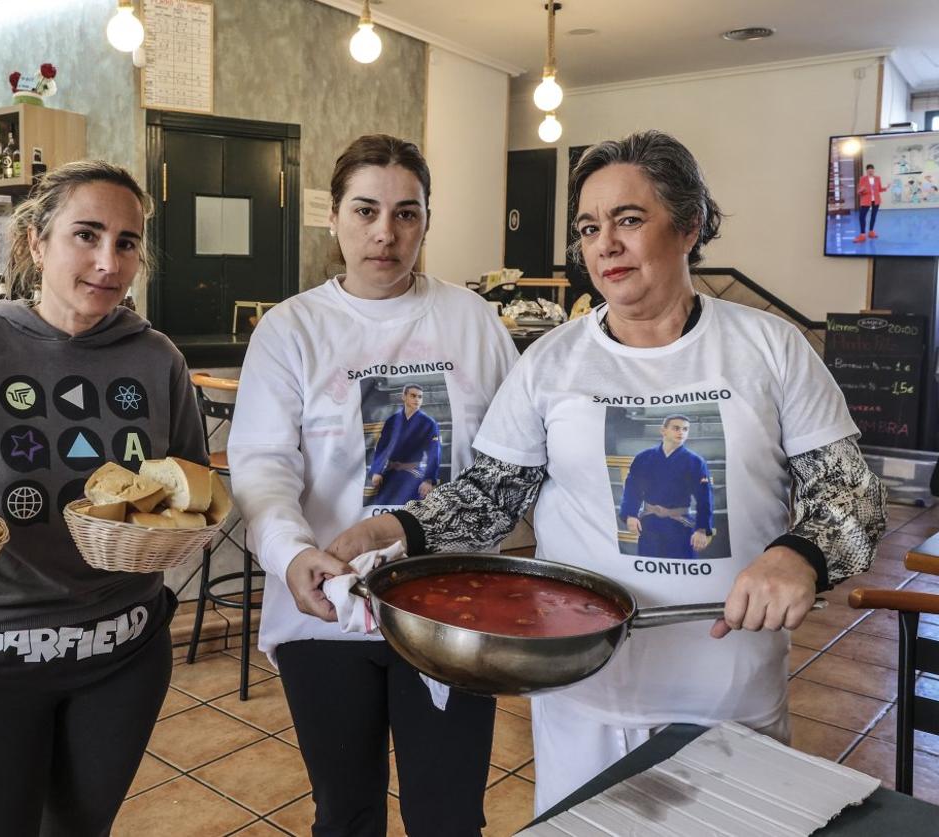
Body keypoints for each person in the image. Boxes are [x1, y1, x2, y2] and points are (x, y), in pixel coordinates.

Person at [329, 130, 887, 816]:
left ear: (688, 226)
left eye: (628, 219)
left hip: (729, 694)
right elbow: (490, 494)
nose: (605, 245)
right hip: (586, 696)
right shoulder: (551, 362)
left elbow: (851, 495)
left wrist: (799, 555)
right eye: (590, 227)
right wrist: (402, 525)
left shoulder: (768, 348)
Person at [0, 160, 207, 837]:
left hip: (123, 652)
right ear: (35, 243)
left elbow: (190, 483)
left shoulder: (157, 358)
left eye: (128, 241)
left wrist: (176, 518)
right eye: (87, 234)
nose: (109, 261)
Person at [229, 134, 519, 836]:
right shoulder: (291, 330)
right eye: (365, 211)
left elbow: (516, 461)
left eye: (407, 214)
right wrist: (293, 554)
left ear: (426, 219)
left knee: (448, 815)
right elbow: (264, 463)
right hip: (323, 609)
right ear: (333, 217)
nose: (385, 233)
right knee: (347, 810)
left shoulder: (472, 321)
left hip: (449, 610)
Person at [619, 413, 713, 559]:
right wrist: (631, 515)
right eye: (676, 428)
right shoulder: (643, 458)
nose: (681, 432)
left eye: (685, 429)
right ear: (663, 431)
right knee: (649, 564)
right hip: (649, 524)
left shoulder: (695, 462)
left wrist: (701, 529)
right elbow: (632, 489)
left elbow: (704, 498)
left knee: (683, 568)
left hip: (680, 524)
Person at [366, 383, 442, 504]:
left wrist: (428, 480)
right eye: (413, 396)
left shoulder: (428, 423)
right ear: (404, 397)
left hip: (413, 473)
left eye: (420, 397)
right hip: (390, 471)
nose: (417, 399)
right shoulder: (392, 421)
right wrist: (376, 471)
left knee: (410, 509)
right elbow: (381, 448)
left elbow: (434, 453)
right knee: (382, 506)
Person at [854, 163, 888, 243]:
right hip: (866, 200)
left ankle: (871, 232)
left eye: (872, 170)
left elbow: (879, 189)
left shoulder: (877, 178)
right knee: (862, 217)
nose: (871, 171)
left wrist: (885, 188)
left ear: (873, 170)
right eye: (869, 170)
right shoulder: (862, 178)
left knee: (873, 216)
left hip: (876, 200)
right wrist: (861, 190)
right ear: (867, 171)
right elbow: (859, 192)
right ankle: (862, 235)